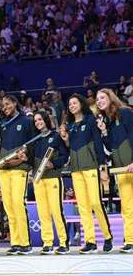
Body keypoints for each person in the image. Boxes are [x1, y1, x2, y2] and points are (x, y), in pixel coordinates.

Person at [59, 93, 113, 254]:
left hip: (91, 167)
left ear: (81, 104)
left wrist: (102, 166)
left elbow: (97, 143)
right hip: (76, 170)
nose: (72, 106)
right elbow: (70, 147)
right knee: (83, 207)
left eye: (74, 103)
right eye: (69, 104)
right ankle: (90, 241)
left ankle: (107, 236)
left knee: (96, 203)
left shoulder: (90, 120)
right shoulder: (70, 125)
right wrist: (66, 139)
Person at [19, 111, 69, 255]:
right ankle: (47, 243)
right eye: (35, 121)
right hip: (38, 180)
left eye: (40, 119)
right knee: (43, 213)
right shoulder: (35, 140)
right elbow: (30, 160)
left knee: (56, 211)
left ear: (46, 120)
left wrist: (53, 164)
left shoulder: (55, 136)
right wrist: (24, 157)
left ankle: (63, 242)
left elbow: (65, 157)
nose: (38, 122)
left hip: (53, 178)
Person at [0, 94, 34, 255]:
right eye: (3, 105)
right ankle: (15, 242)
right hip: (4, 168)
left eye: (8, 104)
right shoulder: (3, 124)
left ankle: (25, 242)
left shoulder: (26, 121)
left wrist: (21, 161)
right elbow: (0, 146)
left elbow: (30, 145)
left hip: (19, 168)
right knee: (8, 205)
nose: (5, 107)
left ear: (15, 103)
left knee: (18, 203)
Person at [96, 88, 133, 253]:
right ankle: (130, 240)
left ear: (111, 98)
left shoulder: (125, 112)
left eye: (102, 97)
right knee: (127, 207)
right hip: (122, 170)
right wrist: (103, 131)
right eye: (97, 99)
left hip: (131, 165)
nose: (99, 101)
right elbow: (110, 149)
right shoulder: (108, 121)